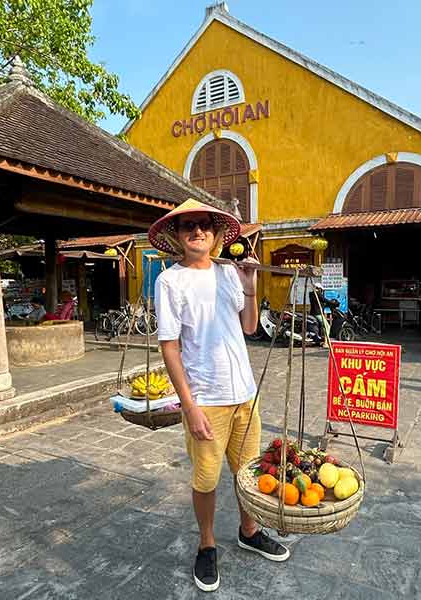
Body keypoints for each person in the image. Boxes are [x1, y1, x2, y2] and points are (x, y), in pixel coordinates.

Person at [150, 198, 290, 593]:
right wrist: (189, 406)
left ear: (215, 235)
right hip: (206, 399)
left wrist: (249, 286)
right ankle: (207, 543)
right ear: (177, 236)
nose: (198, 231)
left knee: (247, 473)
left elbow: (248, 327)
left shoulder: (229, 273)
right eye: (188, 226)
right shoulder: (170, 281)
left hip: (245, 393)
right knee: (206, 479)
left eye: (205, 226)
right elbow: (170, 348)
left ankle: (249, 529)